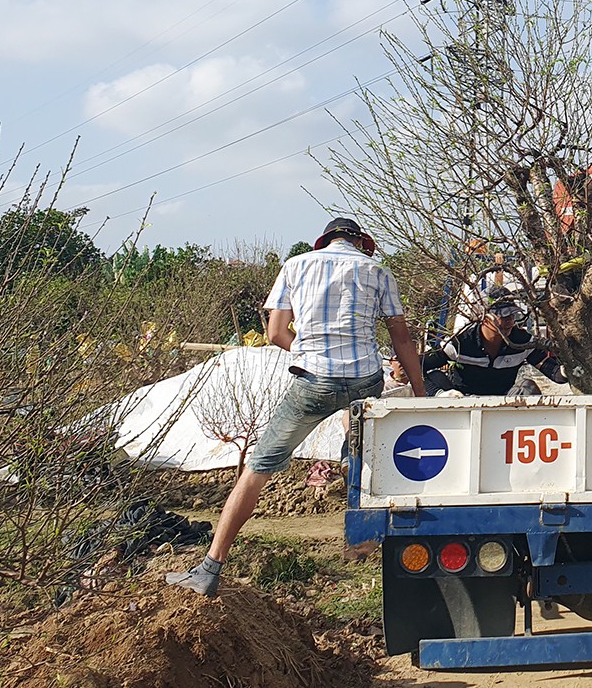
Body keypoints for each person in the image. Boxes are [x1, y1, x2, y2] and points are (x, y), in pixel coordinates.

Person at [167, 217, 425, 597]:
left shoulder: (295, 265)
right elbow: (400, 336)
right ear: (361, 243)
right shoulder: (377, 270)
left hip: (313, 382)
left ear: (323, 242)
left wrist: (308, 352)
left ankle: (210, 567)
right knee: (363, 448)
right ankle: (361, 529)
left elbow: (275, 333)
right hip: (364, 380)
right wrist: (420, 393)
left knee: (256, 470)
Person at [420, 285, 564, 396]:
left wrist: (567, 371)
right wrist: (440, 394)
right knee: (435, 376)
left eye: (512, 315)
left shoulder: (523, 342)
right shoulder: (460, 343)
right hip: (461, 404)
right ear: (483, 316)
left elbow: (553, 372)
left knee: (528, 387)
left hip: (503, 404)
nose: (510, 322)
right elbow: (415, 368)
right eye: (503, 316)